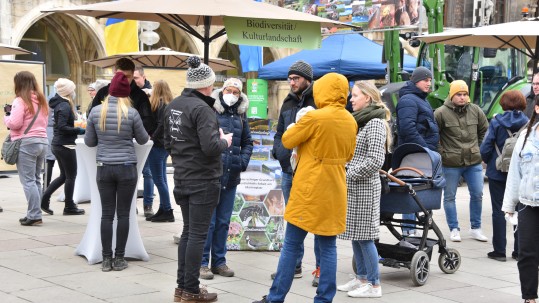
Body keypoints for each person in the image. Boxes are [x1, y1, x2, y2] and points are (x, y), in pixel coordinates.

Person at [253, 72, 357, 303]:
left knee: (291, 245)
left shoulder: (315, 117)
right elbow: (349, 154)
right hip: (335, 188)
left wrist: (300, 124)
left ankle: (276, 297)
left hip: (309, 188)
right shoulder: (350, 120)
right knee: (328, 247)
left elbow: (288, 140)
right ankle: (323, 299)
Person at [165, 56, 232, 302]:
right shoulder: (203, 109)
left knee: (188, 232)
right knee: (196, 235)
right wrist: (225, 140)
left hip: (183, 176)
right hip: (203, 178)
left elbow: (166, 141)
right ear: (206, 85)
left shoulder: (174, 104)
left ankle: (182, 288)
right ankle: (191, 290)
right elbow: (211, 147)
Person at [85, 71, 149, 272]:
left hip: (104, 167)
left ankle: (106, 259)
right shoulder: (132, 113)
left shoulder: (96, 112)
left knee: (106, 215)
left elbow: (89, 142)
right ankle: (119, 258)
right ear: (125, 93)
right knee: (123, 215)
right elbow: (143, 140)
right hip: (126, 168)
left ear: (109, 92)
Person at [337, 81, 391, 298]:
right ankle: (361, 278)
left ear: (368, 97)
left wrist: (347, 174)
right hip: (355, 188)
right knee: (356, 235)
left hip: (365, 188)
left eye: (355, 95)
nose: (351, 99)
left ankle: (374, 285)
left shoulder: (376, 123)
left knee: (366, 237)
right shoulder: (361, 121)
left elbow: (376, 161)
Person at [271, 60, 320, 286]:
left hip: (311, 171)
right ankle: (294, 265)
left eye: (296, 78)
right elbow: (280, 131)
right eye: (289, 79)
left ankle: (320, 268)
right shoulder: (288, 101)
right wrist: (280, 153)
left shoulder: (318, 101)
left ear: (307, 80)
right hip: (289, 171)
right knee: (293, 218)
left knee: (319, 221)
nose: (291, 82)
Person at [199, 77, 254, 280]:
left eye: (236, 92)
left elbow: (248, 142)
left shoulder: (241, 116)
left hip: (231, 175)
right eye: (228, 90)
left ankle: (219, 262)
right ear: (222, 91)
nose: (232, 94)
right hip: (213, 174)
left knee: (223, 222)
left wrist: (242, 161)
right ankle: (203, 262)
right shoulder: (211, 111)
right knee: (209, 222)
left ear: (240, 95)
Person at [88, 58, 155, 218]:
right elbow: (90, 115)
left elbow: (148, 123)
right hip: (112, 157)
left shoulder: (139, 96)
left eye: (127, 76)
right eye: (120, 75)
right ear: (113, 73)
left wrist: (130, 131)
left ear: (133, 75)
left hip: (130, 152)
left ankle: (145, 205)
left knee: (116, 213)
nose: (123, 80)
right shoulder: (104, 92)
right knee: (110, 213)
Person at [434, 80, 489, 242]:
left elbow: (484, 131)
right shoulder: (440, 113)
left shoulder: (476, 110)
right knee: (449, 196)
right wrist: (442, 153)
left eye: (465, 94)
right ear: (452, 95)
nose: (462, 97)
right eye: (459, 94)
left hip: (474, 162)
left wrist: (478, 148)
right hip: (450, 163)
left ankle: (476, 228)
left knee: (478, 194)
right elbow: (434, 136)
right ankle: (454, 228)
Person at [480, 90, 529, 261]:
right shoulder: (528, 123)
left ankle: (500, 251)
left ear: (503, 103)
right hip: (520, 173)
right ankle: (518, 251)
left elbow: (485, 147)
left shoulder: (496, 122)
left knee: (498, 211)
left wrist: (489, 161)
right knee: (520, 210)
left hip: (497, 173)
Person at [502, 95, 539, 303]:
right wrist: (509, 205)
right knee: (526, 254)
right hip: (528, 203)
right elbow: (515, 174)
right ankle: (529, 298)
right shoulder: (526, 136)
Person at [396, 66, 440, 237]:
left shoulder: (420, 99)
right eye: (425, 80)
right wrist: (425, 149)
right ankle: (408, 232)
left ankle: (414, 231)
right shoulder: (409, 100)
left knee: (418, 193)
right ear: (416, 81)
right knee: (411, 193)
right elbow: (408, 128)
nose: (429, 83)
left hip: (421, 154)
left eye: (430, 80)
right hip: (415, 156)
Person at [4, 71, 49, 226]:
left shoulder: (20, 100)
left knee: (28, 181)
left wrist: (7, 116)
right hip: (42, 141)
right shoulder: (42, 100)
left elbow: (14, 123)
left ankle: (35, 215)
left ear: (19, 83)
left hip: (27, 142)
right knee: (35, 179)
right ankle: (33, 213)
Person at [40, 78, 86, 216]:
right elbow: (62, 126)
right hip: (65, 144)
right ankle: (69, 206)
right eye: (72, 90)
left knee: (64, 175)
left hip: (58, 143)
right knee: (71, 176)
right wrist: (79, 130)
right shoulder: (64, 106)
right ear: (68, 91)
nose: (74, 92)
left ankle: (45, 198)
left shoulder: (59, 103)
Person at [144, 80, 174, 223]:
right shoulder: (169, 103)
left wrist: (152, 137)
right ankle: (163, 208)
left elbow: (161, 124)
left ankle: (167, 210)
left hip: (157, 145)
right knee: (162, 179)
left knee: (158, 180)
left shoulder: (159, 104)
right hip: (165, 145)